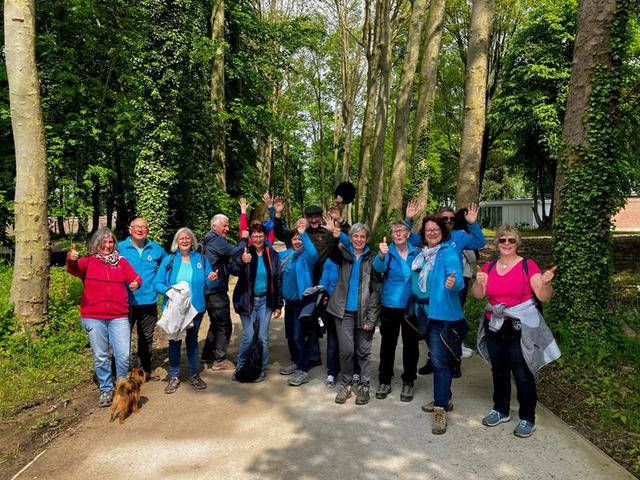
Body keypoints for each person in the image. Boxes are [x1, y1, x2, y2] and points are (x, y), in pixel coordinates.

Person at [472, 225, 560, 438]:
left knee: (522, 374)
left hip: (520, 328)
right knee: (498, 370)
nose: (507, 244)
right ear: (497, 244)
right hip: (495, 325)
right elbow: (478, 295)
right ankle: (501, 410)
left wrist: (546, 284)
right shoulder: (489, 267)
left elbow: (542, 296)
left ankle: (527, 417)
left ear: (517, 243)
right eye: (503, 240)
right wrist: (478, 281)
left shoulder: (527, 266)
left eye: (511, 240)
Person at [405, 202, 485, 375]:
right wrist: (409, 219)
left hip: (454, 285)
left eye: (451, 218)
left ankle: (454, 359)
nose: (448, 221)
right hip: (432, 288)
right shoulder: (430, 235)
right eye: (444, 218)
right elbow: (407, 237)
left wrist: (472, 223)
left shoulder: (459, 236)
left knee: (451, 326)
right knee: (429, 327)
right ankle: (434, 358)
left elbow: (479, 241)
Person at [66, 228, 141, 407]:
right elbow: (73, 269)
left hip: (119, 316)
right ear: (96, 244)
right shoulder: (89, 262)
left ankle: (122, 385)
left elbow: (136, 278)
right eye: (104, 243)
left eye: (111, 242)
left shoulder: (121, 262)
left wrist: (136, 283)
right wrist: (71, 258)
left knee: (123, 355)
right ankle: (106, 388)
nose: (108, 246)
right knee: (100, 355)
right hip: (93, 316)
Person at [410, 216, 465, 434]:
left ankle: (441, 408)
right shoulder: (421, 256)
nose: (431, 233)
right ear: (423, 234)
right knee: (437, 358)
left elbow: (456, 277)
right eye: (428, 230)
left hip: (442, 316)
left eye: (436, 229)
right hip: (424, 314)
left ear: (443, 232)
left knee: (440, 362)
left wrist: (454, 283)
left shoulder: (447, 253)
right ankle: (444, 398)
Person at [155, 228, 218, 394]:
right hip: (175, 309)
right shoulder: (169, 260)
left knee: (192, 342)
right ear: (176, 242)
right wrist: (170, 291)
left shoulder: (201, 260)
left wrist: (212, 279)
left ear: (192, 242)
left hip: (195, 308)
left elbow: (209, 283)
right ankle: (174, 376)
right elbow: (158, 283)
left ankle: (194, 375)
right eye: (181, 238)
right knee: (174, 342)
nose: (184, 241)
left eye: (187, 238)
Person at [326, 223, 382, 405]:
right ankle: (346, 385)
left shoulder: (373, 259)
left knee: (364, 352)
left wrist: (372, 318)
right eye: (355, 236)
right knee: (346, 351)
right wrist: (334, 236)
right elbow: (331, 250)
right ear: (350, 238)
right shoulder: (343, 255)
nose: (358, 240)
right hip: (343, 312)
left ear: (367, 239)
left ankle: (364, 386)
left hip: (365, 313)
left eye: (362, 237)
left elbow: (376, 290)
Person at [373, 222, 421, 402]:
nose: (397, 234)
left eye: (401, 231)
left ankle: (409, 380)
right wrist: (381, 254)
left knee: (411, 345)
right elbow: (378, 268)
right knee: (388, 344)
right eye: (394, 231)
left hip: (411, 307)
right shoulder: (388, 252)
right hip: (390, 305)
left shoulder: (417, 253)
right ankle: (384, 379)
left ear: (408, 234)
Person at [230, 224, 283, 383]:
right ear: (250, 238)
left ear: (265, 237)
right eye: (255, 236)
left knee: (263, 337)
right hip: (248, 301)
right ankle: (240, 366)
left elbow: (277, 280)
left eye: (261, 236)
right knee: (248, 335)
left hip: (266, 301)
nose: (258, 239)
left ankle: (261, 368)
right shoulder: (245, 252)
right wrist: (241, 260)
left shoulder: (272, 254)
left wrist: (278, 304)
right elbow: (232, 269)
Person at [118, 218, 167, 381]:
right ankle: (119, 373)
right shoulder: (119, 248)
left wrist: (160, 284)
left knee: (146, 338)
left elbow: (169, 265)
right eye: (137, 227)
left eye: (144, 227)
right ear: (130, 230)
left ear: (148, 230)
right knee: (122, 338)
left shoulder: (156, 248)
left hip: (148, 301)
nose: (140, 230)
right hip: (125, 302)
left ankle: (143, 371)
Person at [200, 214, 249, 371]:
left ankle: (207, 354)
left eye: (228, 226)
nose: (227, 229)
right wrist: (243, 238)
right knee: (224, 324)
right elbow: (237, 252)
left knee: (216, 322)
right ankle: (219, 360)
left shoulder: (208, 239)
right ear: (215, 227)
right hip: (215, 289)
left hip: (209, 289)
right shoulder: (216, 239)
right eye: (224, 226)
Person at [278, 218, 318, 386]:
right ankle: (295, 361)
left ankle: (303, 369)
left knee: (298, 335)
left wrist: (303, 234)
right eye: (294, 238)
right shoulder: (285, 255)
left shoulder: (306, 257)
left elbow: (314, 253)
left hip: (302, 303)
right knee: (290, 335)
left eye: (299, 239)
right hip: (289, 303)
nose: (297, 241)